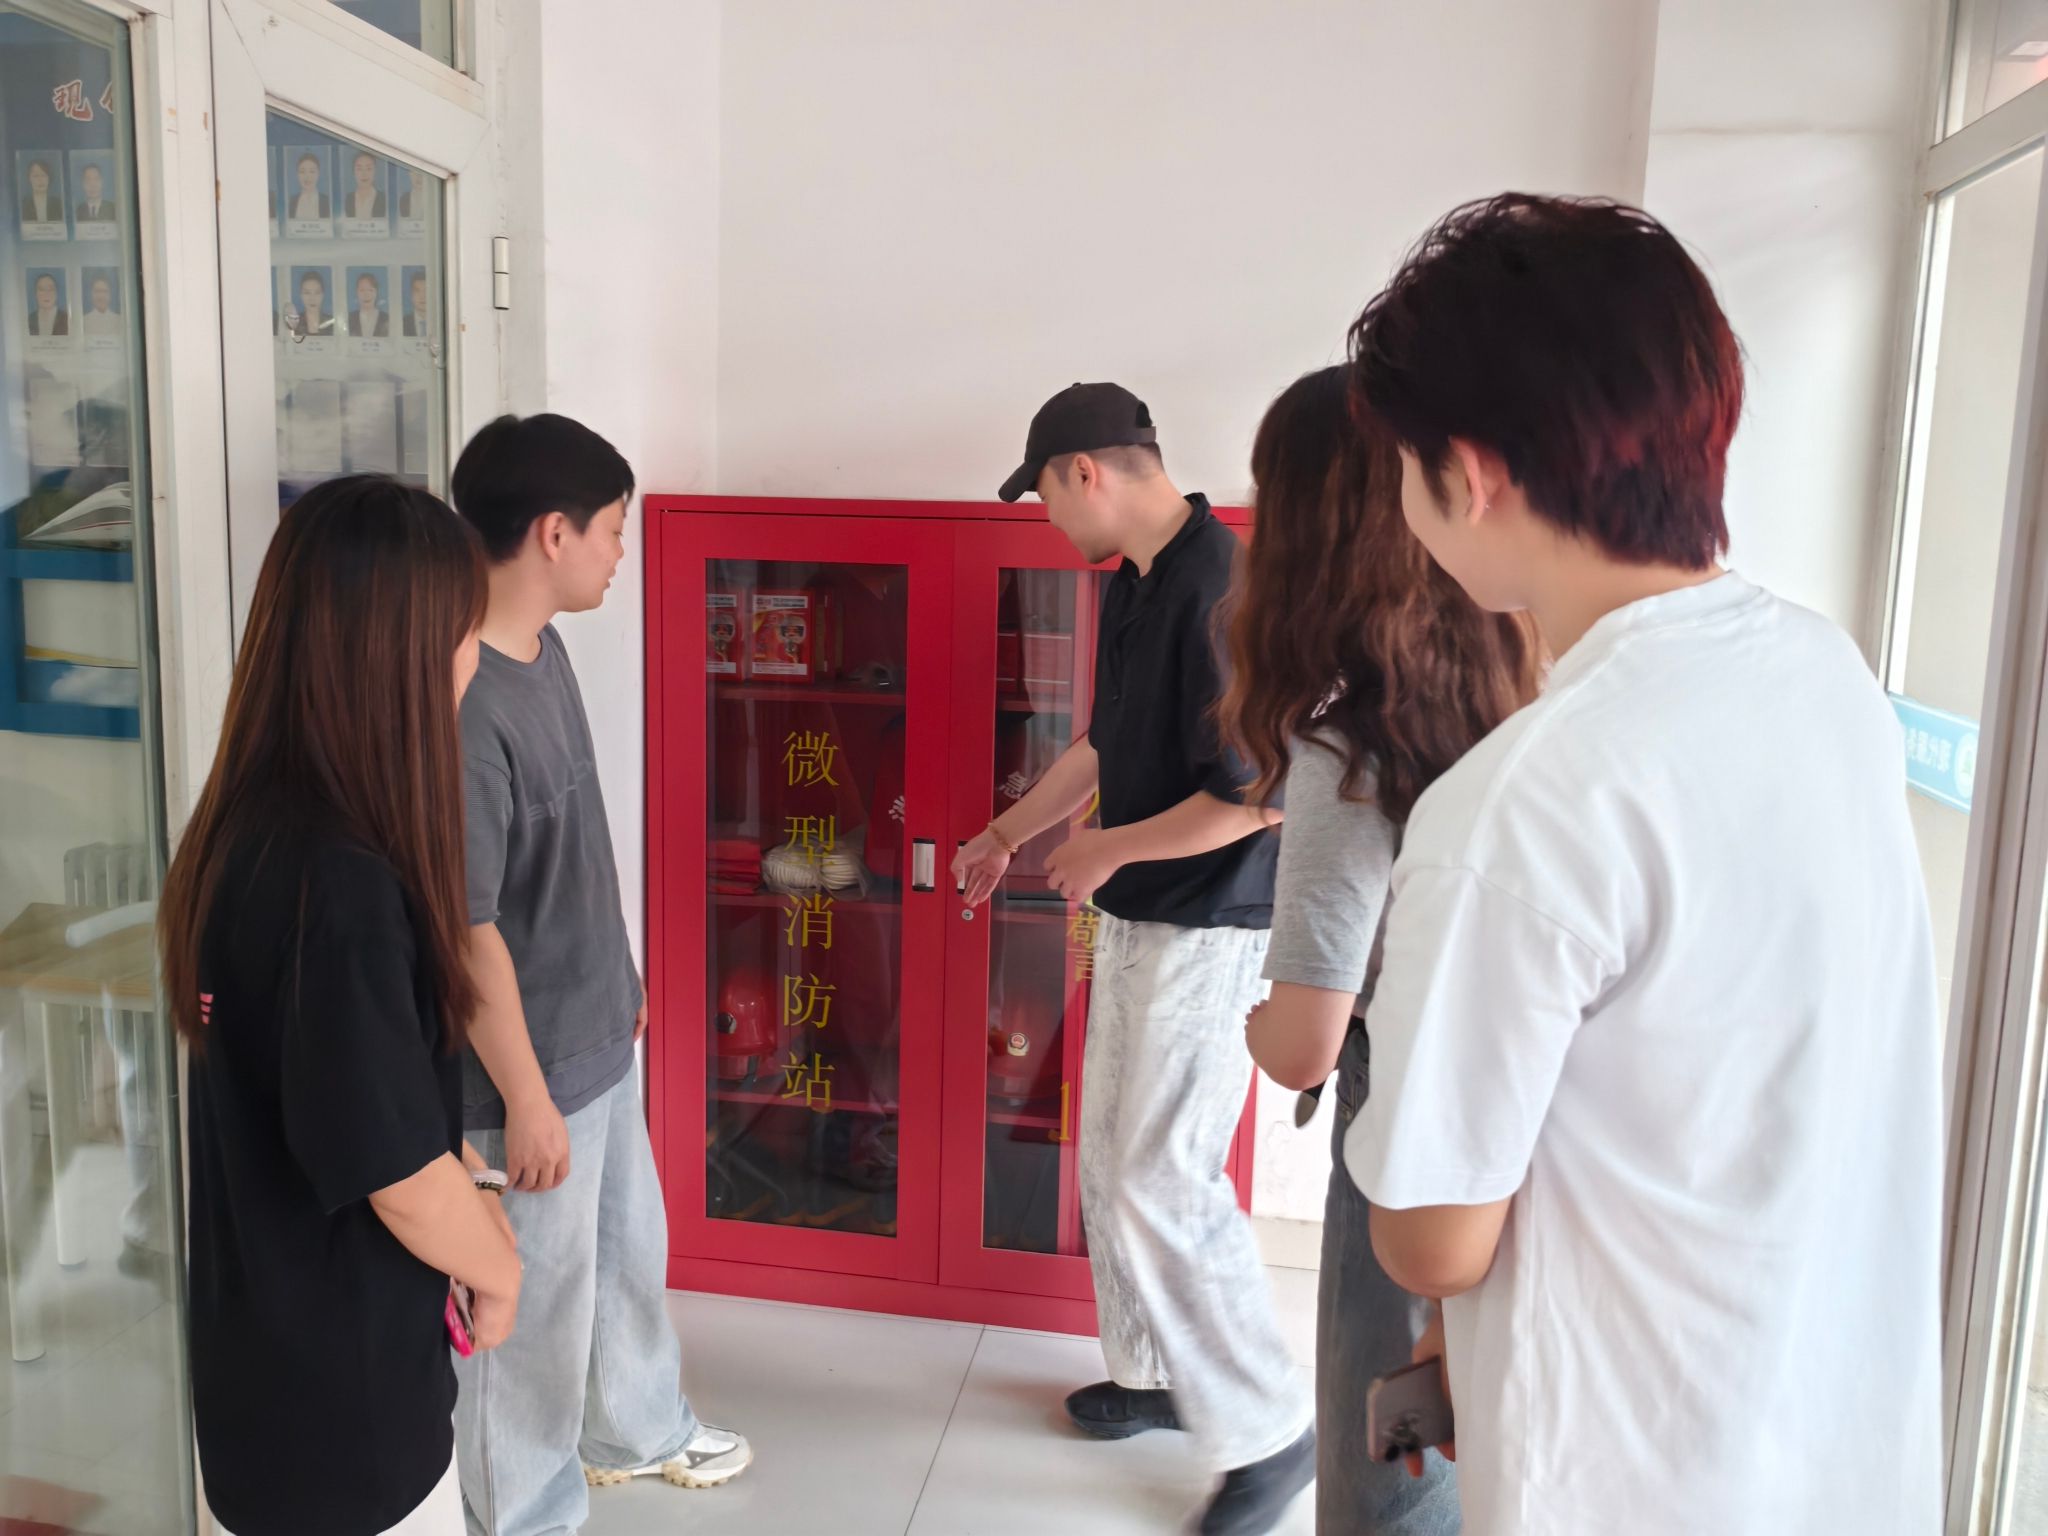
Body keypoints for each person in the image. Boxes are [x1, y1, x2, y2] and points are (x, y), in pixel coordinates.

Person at [1342, 194, 1942, 1536]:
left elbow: (1432, 1238)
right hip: (1833, 1447)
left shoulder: (1522, 802)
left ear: (1471, 475)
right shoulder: (1826, 676)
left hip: (1625, 1475)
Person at [956, 383, 1313, 1536]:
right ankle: (1157, 1376)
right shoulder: (1135, 583)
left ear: (1085, 472)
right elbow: (1106, 743)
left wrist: (1105, 847)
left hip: (1210, 925)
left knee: (1164, 1172)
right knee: (1109, 1157)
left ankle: (1268, 1430)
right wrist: (1008, 833)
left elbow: (1257, 795)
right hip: (1136, 913)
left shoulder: (1222, 588)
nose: (1048, 520)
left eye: (1044, 496)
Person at [160, 475, 525, 1536]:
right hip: (346, 1427)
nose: (473, 657)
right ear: (400, 654)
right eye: (462, 630)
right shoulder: (339, 885)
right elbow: (398, 1181)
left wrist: (465, 1178)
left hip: (261, 1387)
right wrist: (500, 1268)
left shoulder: (247, 832)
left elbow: (339, 1096)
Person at [1221, 366, 1541, 1535]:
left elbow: (1303, 1045)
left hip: (1406, 1142)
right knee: (1453, 1427)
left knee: (1385, 1463)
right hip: (1520, 1126)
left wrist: (1252, 1024)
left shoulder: (1344, 741)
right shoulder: (1514, 680)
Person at [449, 413, 752, 1535]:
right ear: (552, 532)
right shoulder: (467, 700)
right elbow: (467, 929)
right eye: (614, 530)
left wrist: (621, 985)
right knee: (525, 1304)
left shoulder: (544, 647)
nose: (622, 552)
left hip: (596, 1032)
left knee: (627, 1254)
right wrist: (525, 1099)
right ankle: (521, 1510)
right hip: (523, 1073)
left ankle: (634, 1427)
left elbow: (568, 854)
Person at [349, 151, 388, 220]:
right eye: (359, 169)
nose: (364, 174)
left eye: (369, 169)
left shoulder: (384, 199)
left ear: (375, 172)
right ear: (353, 172)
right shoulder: (349, 199)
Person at [20, 159, 61, 224]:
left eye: (43, 175)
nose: (40, 180)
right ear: (29, 179)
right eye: (36, 176)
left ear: (49, 178)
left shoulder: (58, 204)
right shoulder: (23, 205)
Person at [292, 152, 330, 220]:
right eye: (302, 172)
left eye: (312, 171)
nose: (307, 176)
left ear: (318, 174)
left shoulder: (327, 201)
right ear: (297, 174)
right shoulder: (291, 202)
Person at [294, 271, 333, 337]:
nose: (312, 298)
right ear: (301, 295)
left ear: (323, 295)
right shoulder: (294, 323)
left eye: (317, 292)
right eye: (307, 293)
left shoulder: (332, 323)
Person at [351, 272, 390, 337]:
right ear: (357, 292)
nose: (366, 294)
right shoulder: (350, 318)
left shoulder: (386, 318)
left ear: (376, 293)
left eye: (370, 290)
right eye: (362, 290)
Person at [404, 273, 430, 337]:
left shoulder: (440, 321)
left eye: (426, 291)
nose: (422, 296)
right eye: (417, 291)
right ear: (411, 295)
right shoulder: (403, 323)